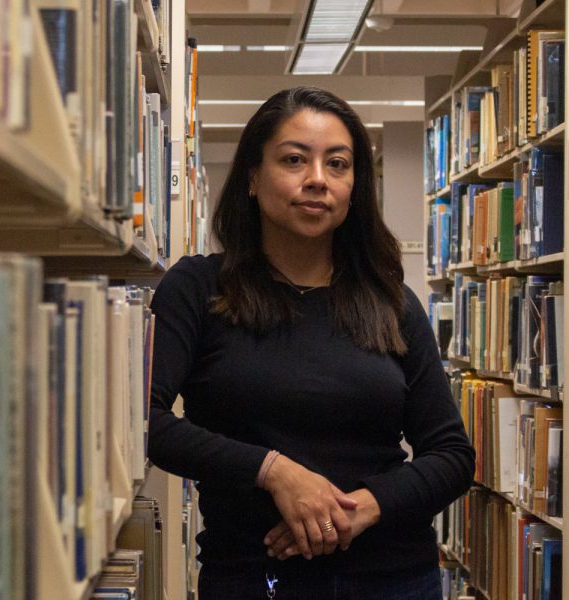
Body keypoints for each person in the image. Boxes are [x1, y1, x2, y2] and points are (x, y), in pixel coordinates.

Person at [146, 86, 474, 599]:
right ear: (252, 178)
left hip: (394, 578)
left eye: (338, 164)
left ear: (354, 187)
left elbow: (451, 454)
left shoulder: (393, 304)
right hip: (254, 576)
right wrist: (273, 471)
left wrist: (359, 509)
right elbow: (148, 422)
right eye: (295, 160)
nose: (317, 180)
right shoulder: (198, 289)